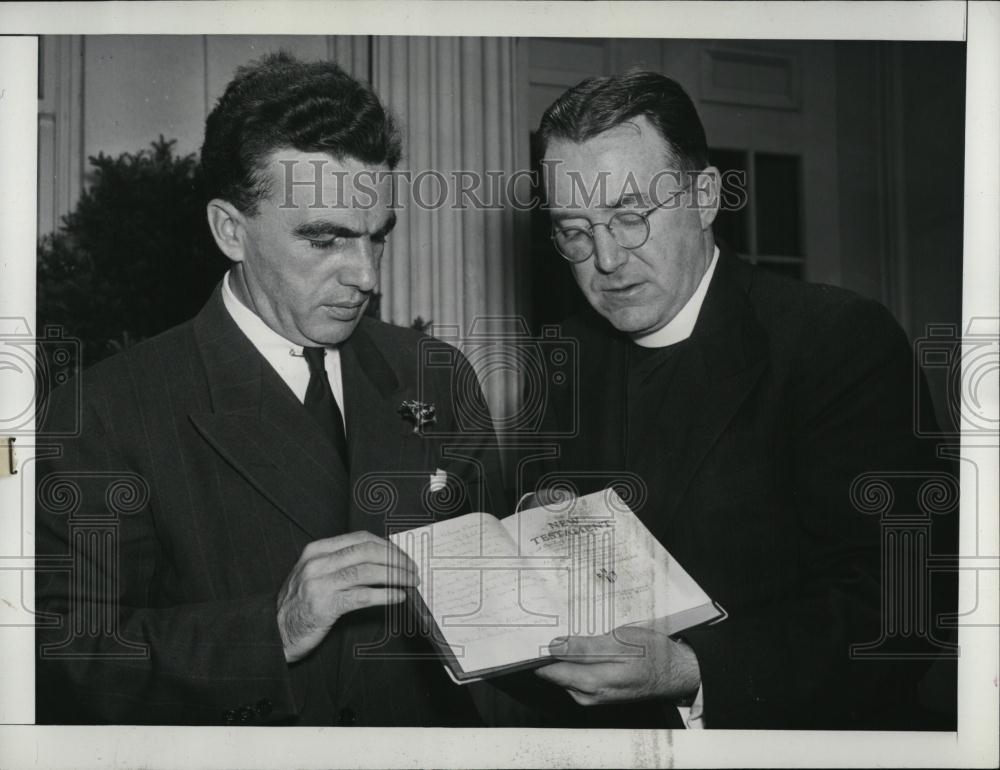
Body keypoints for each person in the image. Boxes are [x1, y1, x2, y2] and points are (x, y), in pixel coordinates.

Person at [34, 52, 506, 726]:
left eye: (377, 237)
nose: (366, 275)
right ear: (231, 230)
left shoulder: (436, 374)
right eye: (325, 241)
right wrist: (271, 631)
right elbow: (64, 659)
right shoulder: (107, 413)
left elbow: (495, 619)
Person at [517, 71, 956, 729]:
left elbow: (904, 602)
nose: (604, 258)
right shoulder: (564, 357)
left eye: (630, 216)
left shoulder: (835, 339)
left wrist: (693, 670)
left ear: (705, 197)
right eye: (574, 230)